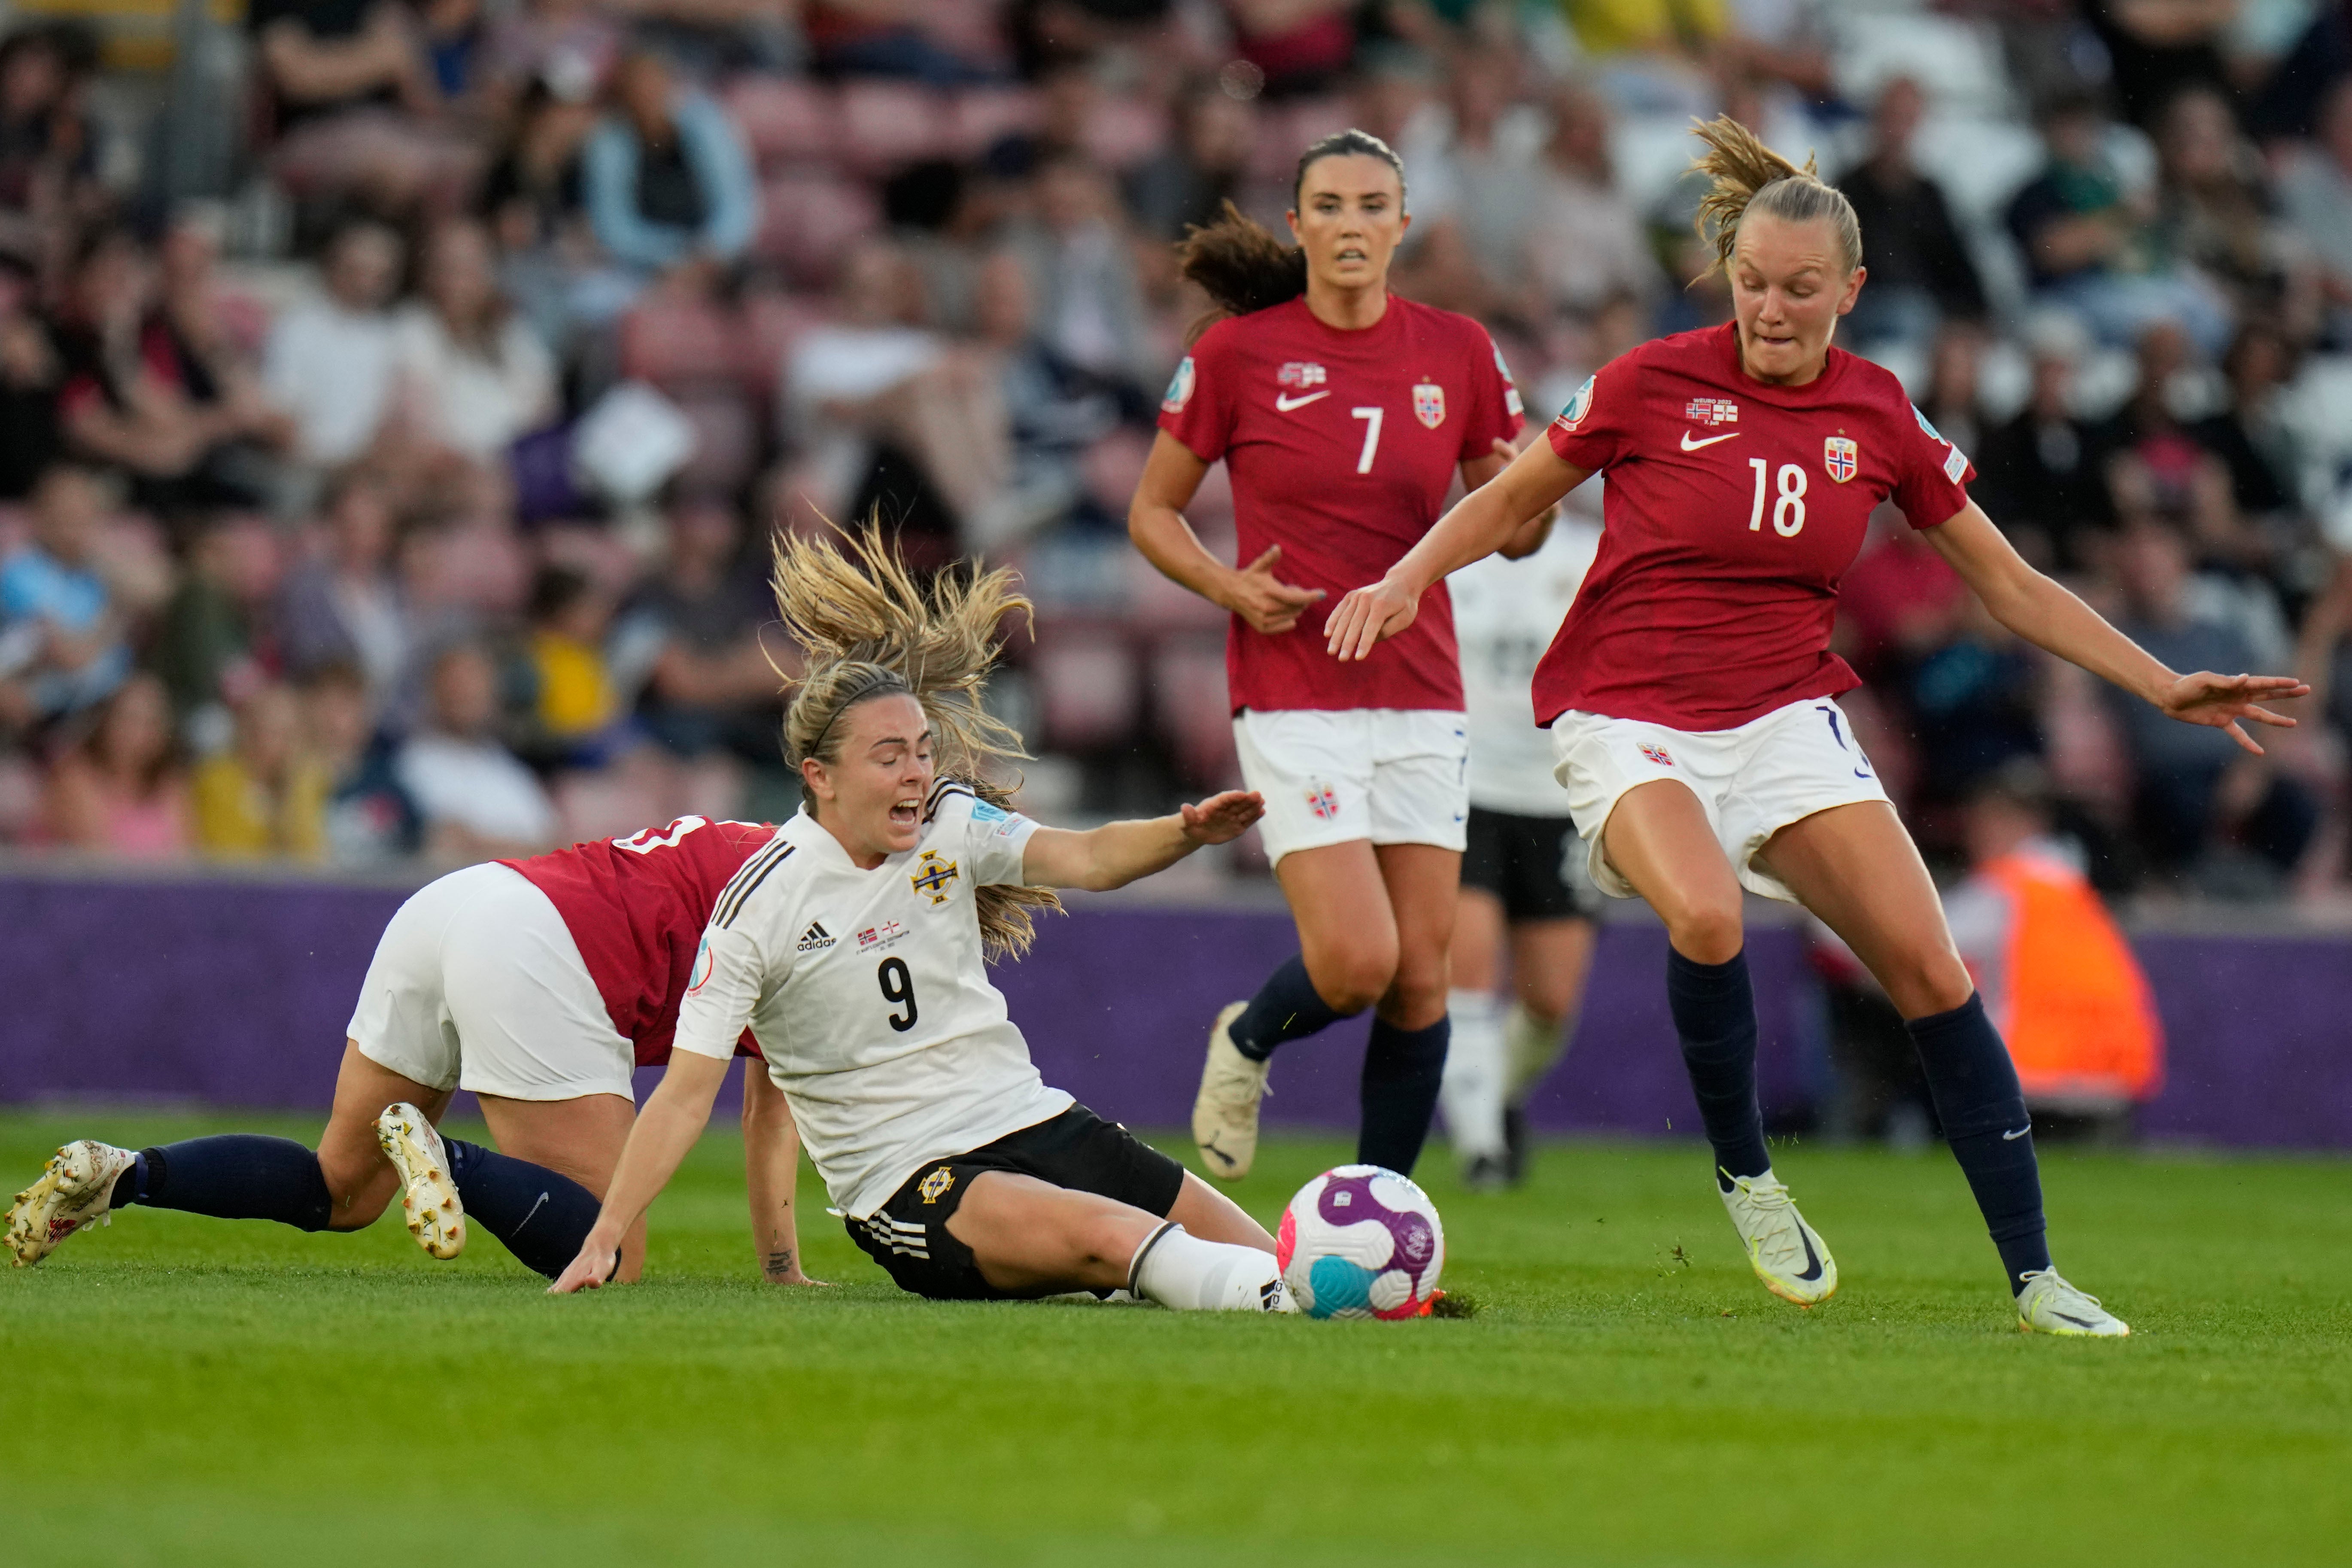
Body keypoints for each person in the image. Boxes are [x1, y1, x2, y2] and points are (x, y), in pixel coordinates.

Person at [1321, 115, 2310, 1336]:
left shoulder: (1878, 413)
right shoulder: (1647, 380)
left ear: (1849, 288)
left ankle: (2034, 1277)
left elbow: (2009, 585)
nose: (1769, 310)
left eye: (1798, 290)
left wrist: (2159, 682)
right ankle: (1745, 1171)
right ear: (1724, 274)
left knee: (1933, 971)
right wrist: (1404, 578)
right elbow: (1512, 496)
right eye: (1749, 283)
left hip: (1784, 717)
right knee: (1704, 910)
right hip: (1623, 711)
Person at [550, 527, 1291, 1313]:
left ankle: (1324, 1295)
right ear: (820, 776)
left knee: (1257, 1249)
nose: (915, 773)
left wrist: (1184, 833)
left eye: (923, 750)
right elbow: (685, 1097)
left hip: (1031, 1121)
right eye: (889, 756)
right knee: (1119, 1239)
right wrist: (607, 1234)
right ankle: (1286, 1305)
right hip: (911, 1181)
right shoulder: (759, 904)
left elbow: (1091, 859)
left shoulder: (950, 821)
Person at [1126, 130, 1526, 1184]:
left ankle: (1381, 1210)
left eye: (1372, 206)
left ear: (1403, 224)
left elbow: (1512, 509)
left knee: (1421, 981)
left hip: (1423, 690)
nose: (1352, 226)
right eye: (1331, 207)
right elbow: (1153, 511)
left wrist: (1528, 496)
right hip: (1294, 688)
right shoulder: (1235, 355)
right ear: (1298, 225)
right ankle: (1248, 1037)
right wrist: (1228, 585)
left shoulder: (1459, 350)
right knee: (1357, 962)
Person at [6, 809, 819, 1289]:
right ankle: (447, 1159)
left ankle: (125, 1173)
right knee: (609, 1254)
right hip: (546, 947)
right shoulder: (825, 903)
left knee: (343, 1189)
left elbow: (766, 1100)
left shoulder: (763, 840)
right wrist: (782, 1272)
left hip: (459, 899)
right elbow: (767, 1110)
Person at [1439, 499, 1601, 1190]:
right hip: (1465, 787)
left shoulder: (1593, 550)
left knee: (1550, 1002)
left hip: (1560, 796)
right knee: (1469, 970)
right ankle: (1481, 1150)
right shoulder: (1450, 548)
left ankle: (1494, 1097)